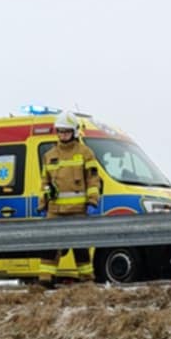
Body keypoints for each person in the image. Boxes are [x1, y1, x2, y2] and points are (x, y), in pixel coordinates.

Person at [40, 111, 102, 286]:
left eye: (66, 132)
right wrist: (43, 203)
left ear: (74, 132)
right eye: (60, 131)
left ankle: (87, 281)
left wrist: (92, 201)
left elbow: (92, 179)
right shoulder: (50, 155)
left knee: (80, 248)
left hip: (78, 210)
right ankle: (45, 281)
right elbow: (44, 182)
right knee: (49, 247)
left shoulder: (85, 153)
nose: (63, 135)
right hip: (55, 211)